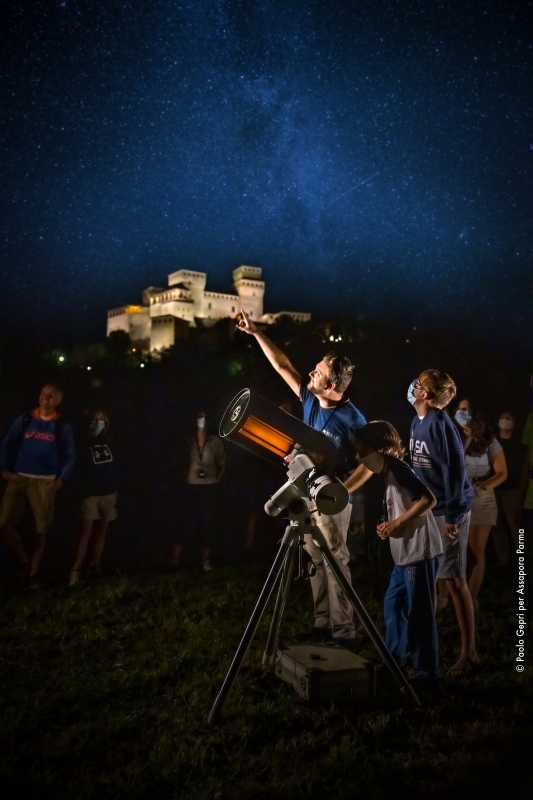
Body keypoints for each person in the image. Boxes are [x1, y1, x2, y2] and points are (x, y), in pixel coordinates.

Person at [237, 309, 371, 650]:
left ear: (331, 385)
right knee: (314, 556)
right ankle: (322, 623)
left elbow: (372, 463)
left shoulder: (353, 421)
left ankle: (344, 633)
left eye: (318, 371)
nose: (311, 372)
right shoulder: (310, 397)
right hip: (307, 489)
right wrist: (256, 333)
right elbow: (283, 365)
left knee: (335, 559)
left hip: (332, 495)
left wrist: (343, 490)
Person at [354, 421, 442, 683]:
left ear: (380, 447)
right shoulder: (387, 473)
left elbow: (428, 499)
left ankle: (427, 673)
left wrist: (398, 523)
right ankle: (395, 662)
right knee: (394, 605)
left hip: (418, 552)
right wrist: (387, 525)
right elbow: (400, 507)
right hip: (403, 555)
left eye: (363, 450)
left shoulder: (398, 469)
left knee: (419, 614)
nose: (359, 456)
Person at [407, 371, 477, 676]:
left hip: (449, 511)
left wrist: (452, 517)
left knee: (455, 580)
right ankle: (421, 644)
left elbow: (455, 473)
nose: (412, 386)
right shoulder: (417, 421)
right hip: (430, 508)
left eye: (418, 384)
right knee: (431, 578)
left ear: (425, 395)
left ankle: (469, 653)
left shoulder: (441, 426)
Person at [0, 383, 75, 588]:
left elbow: (71, 455)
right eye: (43, 393)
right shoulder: (26, 419)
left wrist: (61, 480)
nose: (45, 398)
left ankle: (32, 577)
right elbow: (8, 442)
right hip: (20, 478)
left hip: (44, 481)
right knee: (4, 524)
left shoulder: (62, 425)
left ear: (58, 401)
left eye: (51, 396)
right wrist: (4, 469)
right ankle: (24, 562)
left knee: (41, 530)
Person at [454, 399, 507, 610]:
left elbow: (502, 471)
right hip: (458, 497)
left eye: (464, 409)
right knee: (459, 550)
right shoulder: (454, 436)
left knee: (476, 550)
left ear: (474, 413)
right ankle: (454, 595)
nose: (460, 412)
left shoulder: (488, 439)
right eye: (458, 409)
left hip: (481, 498)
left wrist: (483, 487)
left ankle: (471, 599)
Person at [69, 409, 119, 586]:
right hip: (89, 495)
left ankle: (95, 567)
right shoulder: (81, 442)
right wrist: (81, 489)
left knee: (101, 533)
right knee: (85, 533)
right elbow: (76, 467)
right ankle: (75, 571)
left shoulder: (111, 441)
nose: (98, 422)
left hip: (109, 493)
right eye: (95, 419)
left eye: (101, 419)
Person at [172, 410, 226, 571]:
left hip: (209, 487)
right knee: (184, 522)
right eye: (199, 417)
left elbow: (222, 463)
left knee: (207, 524)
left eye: (204, 417)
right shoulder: (188, 440)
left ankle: (205, 562)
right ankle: (175, 560)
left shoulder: (215, 441)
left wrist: (218, 479)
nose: (202, 420)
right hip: (189, 486)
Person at [491, 411, 525, 567]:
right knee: (497, 527)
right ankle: (503, 562)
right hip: (494, 490)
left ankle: (522, 562)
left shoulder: (519, 446)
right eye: (503, 417)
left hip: (512, 491)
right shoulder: (492, 444)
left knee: (516, 527)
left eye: (509, 417)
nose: (505, 419)